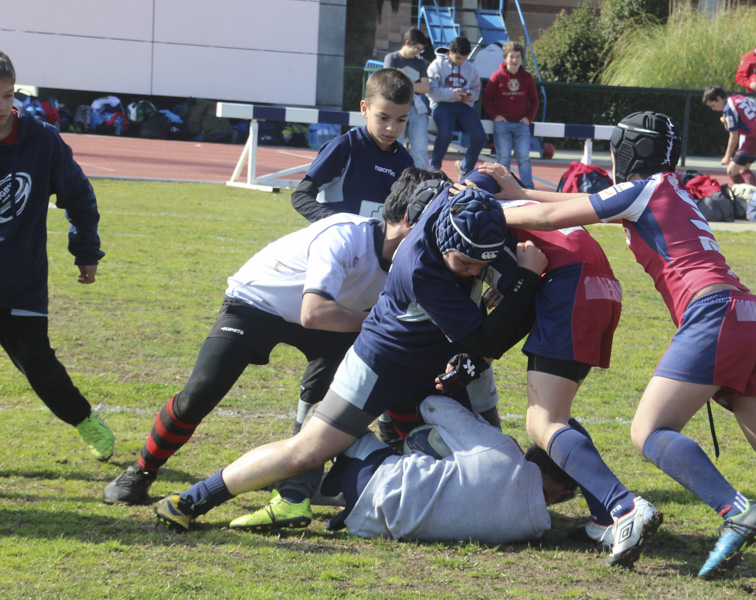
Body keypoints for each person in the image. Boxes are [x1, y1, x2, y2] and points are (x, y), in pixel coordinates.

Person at [479, 110, 756, 580]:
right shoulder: (672, 188)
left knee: (648, 432)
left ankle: (735, 511)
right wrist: (521, 193)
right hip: (752, 314)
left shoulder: (642, 190)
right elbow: (578, 201)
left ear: (628, 152)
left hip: (714, 313)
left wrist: (472, 207)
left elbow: (549, 216)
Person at [153, 190, 543, 539]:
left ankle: (387, 502)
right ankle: (191, 500)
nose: (475, 271)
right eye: (467, 262)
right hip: (382, 361)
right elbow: (486, 340)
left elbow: (465, 190)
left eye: (482, 264)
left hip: (440, 362)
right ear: (444, 240)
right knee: (305, 452)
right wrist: (523, 277)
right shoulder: (421, 269)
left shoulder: (451, 209)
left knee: (492, 453)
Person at [102, 168, 451, 507]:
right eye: (438, 221)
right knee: (201, 391)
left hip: (338, 318)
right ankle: (142, 471)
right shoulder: (345, 236)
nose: (444, 233)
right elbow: (313, 313)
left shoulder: (420, 259)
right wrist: (383, 325)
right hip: (258, 306)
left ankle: (301, 482)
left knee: (365, 388)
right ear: (409, 217)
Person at [461, 169, 657, 567]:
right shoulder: (523, 206)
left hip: (568, 286)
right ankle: (605, 512)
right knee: (556, 414)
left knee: (542, 421)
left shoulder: (486, 214)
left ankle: (623, 506)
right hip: (598, 286)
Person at [0, 50, 114, 462]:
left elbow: (79, 196)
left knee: (37, 363)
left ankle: (84, 419)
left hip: (22, 281)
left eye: (9, 95)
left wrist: (86, 250)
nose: (3, 107)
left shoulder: (42, 140)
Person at [323, 395, 578, 543]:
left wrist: (485, 429)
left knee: (328, 421)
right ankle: (304, 489)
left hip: (381, 480)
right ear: (561, 495)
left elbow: (433, 405)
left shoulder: (501, 450)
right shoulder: (535, 528)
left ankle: (293, 493)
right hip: (370, 525)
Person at [291, 68, 414, 223]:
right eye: (383, 118)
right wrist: (340, 225)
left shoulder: (406, 163)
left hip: (378, 247)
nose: (392, 127)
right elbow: (300, 196)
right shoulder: (343, 148)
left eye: (401, 120)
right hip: (339, 244)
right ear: (364, 109)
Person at [482, 41, 539, 189]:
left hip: (522, 124)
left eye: (518, 56)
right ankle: (502, 187)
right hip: (503, 124)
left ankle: (528, 188)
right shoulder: (497, 76)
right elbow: (487, 99)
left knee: (524, 158)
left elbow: (534, 100)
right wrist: (495, 116)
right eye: (511, 56)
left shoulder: (527, 77)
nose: (514, 60)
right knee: (503, 158)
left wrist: (529, 117)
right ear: (505, 58)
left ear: (521, 59)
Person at [428, 36, 487, 175]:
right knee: (445, 134)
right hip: (442, 105)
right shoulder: (437, 65)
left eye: (464, 58)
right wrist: (450, 94)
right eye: (458, 57)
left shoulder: (470, 68)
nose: (461, 61)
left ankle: (465, 167)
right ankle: (434, 168)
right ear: (450, 52)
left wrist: (469, 96)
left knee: (480, 136)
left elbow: (476, 89)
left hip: (464, 106)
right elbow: (431, 91)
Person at [701, 85, 756, 188]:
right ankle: (754, 192)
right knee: (743, 168)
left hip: (754, 138)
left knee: (731, 170)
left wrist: (727, 156)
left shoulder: (728, 109)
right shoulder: (737, 98)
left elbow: (734, 136)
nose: (713, 109)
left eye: (713, 105)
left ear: (718, 98)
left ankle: (745, 195)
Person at [384, 28, 432, 168]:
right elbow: (390, 83)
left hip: (417, 108)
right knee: (394, 145)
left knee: (420, 149)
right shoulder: (392, 58)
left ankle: (421, 181)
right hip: (396, 108)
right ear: (407, 43)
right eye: (416, 49)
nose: (418, 53)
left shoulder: (420, 61)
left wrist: (403, 80)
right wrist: (415, 85)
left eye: (420, 50)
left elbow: (425, 88)